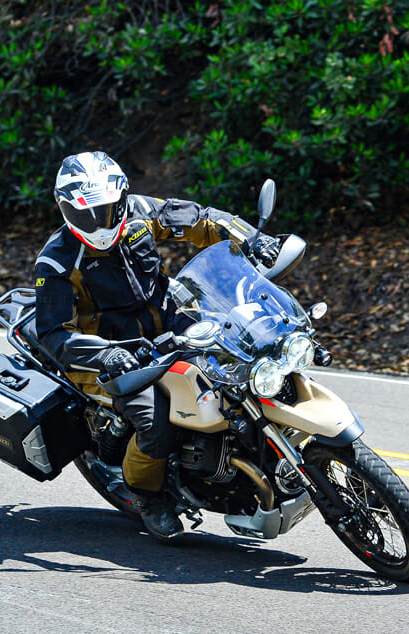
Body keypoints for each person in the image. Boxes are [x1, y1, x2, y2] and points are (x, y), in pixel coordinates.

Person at [33, 151, 280, 541]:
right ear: (64, 208)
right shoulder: (58, 262)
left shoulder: (140, 212)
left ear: (122, 198)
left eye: (107, 210)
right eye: (86, 214)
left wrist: (251, 238)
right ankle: (147, 496)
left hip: (171, 323)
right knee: (156, 420)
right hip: (110, 356)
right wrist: (106, 354)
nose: (98, 223)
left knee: (246, 353)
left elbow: (200, 219)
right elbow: (53, 334)